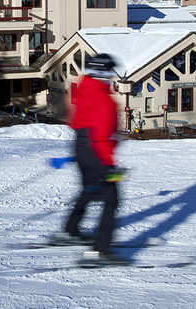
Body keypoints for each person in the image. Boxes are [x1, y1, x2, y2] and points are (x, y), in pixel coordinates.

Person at [55, 53, 128, 265]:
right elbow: (102, 137)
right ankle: (101, 251)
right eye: (111, 72)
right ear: (104, 72)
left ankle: (70, 230)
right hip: (97, 153)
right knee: (112, 200)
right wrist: (109, 167)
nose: (113, 77)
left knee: (88, 190)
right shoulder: (105, 100)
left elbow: (76, 121)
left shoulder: (82, 90)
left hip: (81, 147)